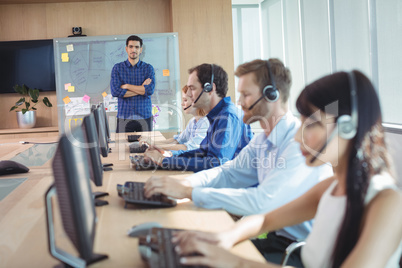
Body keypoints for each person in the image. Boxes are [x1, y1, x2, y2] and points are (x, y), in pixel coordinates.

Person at [172, 70, 402, 268]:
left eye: (311, 124)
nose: (297, 136)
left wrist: (235, 262)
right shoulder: (331, 187)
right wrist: (223, 238)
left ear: (348, 127)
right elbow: (264, 221)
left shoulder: (388, 203)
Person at [144, 59, 332, 265]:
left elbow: (262, 201)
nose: (239, 102)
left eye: (246, 94)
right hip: (274, 239)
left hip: (297, 252)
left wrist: (190, 192)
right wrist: (185, 184)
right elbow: (229, 172)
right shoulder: (263, 141)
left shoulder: (298, 145)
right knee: (188, 250)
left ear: (272, 95)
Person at [144, 63, 253, 172]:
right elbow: (203, 152)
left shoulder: (228, 117)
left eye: (192, 88)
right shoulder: (216, 115)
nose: (188, 94)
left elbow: (215, 163)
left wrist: (165, 161)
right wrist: (169, 156)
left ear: (210, 88)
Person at [142, 85, 209, 156]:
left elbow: (188, 148)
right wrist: (152, 143)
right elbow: (177, 140)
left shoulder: (205, 123)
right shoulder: (193, 121)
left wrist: (156, 146)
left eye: (185, 100)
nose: (182, 104)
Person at [110, 35, 155, 133]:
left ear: (141, 50)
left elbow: (149, 90)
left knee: (146, 147)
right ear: (126, 49)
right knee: (121, 147)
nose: (133, 50)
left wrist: (126, 86)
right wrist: (142, 89)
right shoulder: (117, 68)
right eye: (131, 47)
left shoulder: (148, 68)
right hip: (124, 117)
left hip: (144, 117)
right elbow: (115, 92)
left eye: (137, 47)